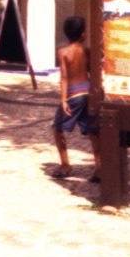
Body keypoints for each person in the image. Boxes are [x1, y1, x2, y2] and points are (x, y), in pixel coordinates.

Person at [50, 15, 93, 178]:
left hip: (73, 95)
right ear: (83, 34)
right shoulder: (86, 51)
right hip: (87, 92)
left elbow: (64, 77)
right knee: (92, 132)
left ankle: (65, 165)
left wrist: (63, 100)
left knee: (57, 128)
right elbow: (92, 72)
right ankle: (100, 166)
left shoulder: (63, 52)